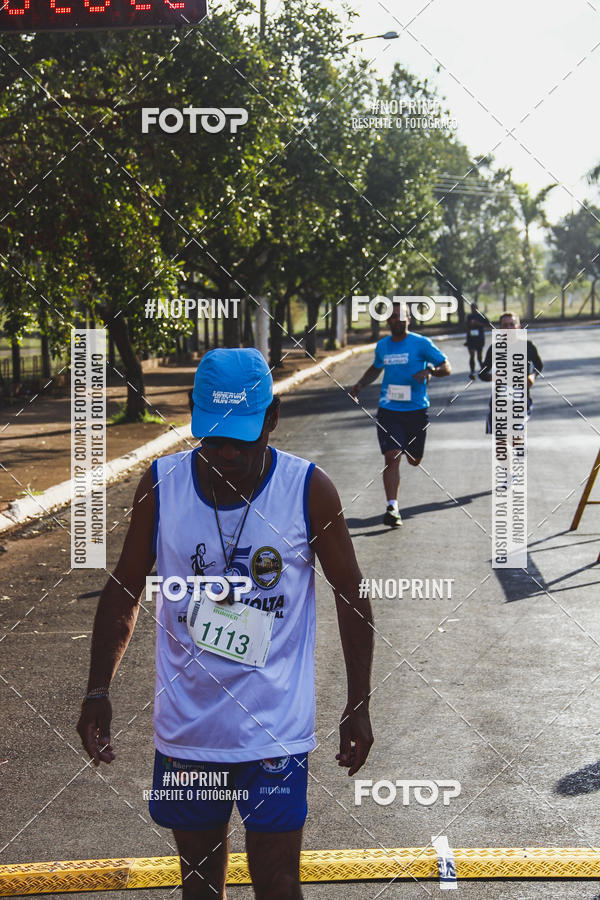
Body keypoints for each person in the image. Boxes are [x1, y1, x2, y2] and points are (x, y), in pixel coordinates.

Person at [77, 347, 374, 900]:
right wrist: (99, 688)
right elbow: (124, 587)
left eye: (239, 436)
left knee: (279, 881)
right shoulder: (161, 485)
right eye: (212, 436)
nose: (224, 452)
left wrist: (358, 704)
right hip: (189, 733)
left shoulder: (308, 491)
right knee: (199, 885)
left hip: (274, 732)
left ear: (272, 418)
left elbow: (352, 597)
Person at [350, 301, 451, 528]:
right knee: (392, 457)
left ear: (409, 319)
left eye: (400, 316)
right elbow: (376, 367)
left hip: (416, 410)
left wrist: (431, 371)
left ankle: (408, 450)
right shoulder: (383, 346)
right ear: (388, 321)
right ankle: (392, 507)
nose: (396, 320)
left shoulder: (421, 344)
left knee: (414, 460)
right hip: (389, 410)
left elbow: (447, 366)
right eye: (392, 317)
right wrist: (360, 384)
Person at [479, 310, 543, 432]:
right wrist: (494, 377)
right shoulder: (494, 348)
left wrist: (532, 376)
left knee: (515, 437)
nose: (509, 328)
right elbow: (482, 373)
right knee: (501, 442)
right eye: (505, 325)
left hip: (520, 398)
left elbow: (539, 366)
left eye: (512, 324)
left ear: (518, 327)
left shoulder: (528, 346)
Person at [465, 304, 487, 379]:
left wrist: (478, 324)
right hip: (471, 339)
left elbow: (487, 324)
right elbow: (466, 326)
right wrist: (470, 325)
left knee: (479, 356)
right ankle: (472, 371)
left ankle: (482, 369)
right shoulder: (469, 316)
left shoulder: (481, 316)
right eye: (472, 308)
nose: (473, 309)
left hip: (479, 339)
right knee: (471, 355)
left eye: (475, 308)